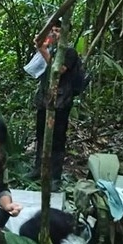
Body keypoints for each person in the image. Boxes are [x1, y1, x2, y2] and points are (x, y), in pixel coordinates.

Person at [29, 20, 79, 191]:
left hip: (60, 102)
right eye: (52, 30)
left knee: (57, 139)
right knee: (41, 135)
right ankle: (38, 169)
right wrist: (42, 48)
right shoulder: (49, 49)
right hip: (44, 100)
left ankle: (55, 177)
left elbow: (58, 70)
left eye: (58, 30)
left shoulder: (69, 52)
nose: (54, 33)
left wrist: (42, 49)